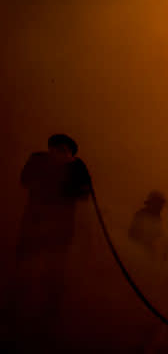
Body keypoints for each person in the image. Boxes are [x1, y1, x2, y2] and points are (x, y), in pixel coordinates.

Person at [13, 134, 92, 348]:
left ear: (70, 153)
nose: (58, 152)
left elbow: (85, 193)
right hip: (35, 223)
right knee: (25, 264)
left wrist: (69, 179)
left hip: (60, 229)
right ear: (51, 148)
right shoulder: (38, 159)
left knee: (54, 270)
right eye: (56, 147)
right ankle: (16, 306)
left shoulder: (77, 168)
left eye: (64, 149)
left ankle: (48, 316)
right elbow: (24, 180)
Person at [129, 190, 168, 261]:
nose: (161, 207)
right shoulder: (141, 216)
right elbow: (132, 236)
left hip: (148, 255)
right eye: (159, 204)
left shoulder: (157, 219)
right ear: (152, 203)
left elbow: (158, 237)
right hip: (137, 255)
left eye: (161, 204)